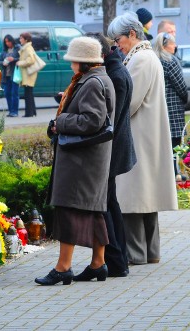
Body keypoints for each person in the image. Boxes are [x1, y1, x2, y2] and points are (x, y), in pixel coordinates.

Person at [35, 36, 115, 285]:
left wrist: (61, 122)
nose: (70, 65)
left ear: (83, 61)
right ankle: (98, 263)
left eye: (72, 60)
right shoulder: (98, 78)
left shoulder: (92, 82)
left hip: (82, 160)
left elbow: (92, 120)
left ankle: (63, 268)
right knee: (93, 211)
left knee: (68, 209)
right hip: (90, 159)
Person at [107, 12, 178, 266]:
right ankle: (151, 252)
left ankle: (136, 254)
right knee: (146, 199)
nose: (117, 45)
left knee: (134, 199)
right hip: (147, 135)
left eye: (118, 39)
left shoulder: (140, 59)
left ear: (132, 34)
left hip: (138, 135)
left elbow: (130, 101)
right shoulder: (146, 56)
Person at [86, 32, 137, 278]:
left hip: (111, 148)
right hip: (115, 145)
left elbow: (109, 119)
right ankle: (119, 260)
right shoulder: (116, 69)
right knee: (110, 203)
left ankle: (115, 260)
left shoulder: (114, 75)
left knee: (106, 205)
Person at [152, 32, 187, 181]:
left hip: (158, 107)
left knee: (161, 144)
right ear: (166, 46)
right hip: (173, 109)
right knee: (174, 144)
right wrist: (185, 98)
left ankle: (166, 174)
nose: (175, 46)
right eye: (173, 44)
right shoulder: (170, 61)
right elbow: (180, 86)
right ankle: (174, 174)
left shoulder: (154, 60)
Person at [16, 32, 38, 117]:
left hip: (29, 74)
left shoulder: (28, 48)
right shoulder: (26, 47)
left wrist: (20, 63)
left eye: (21, 38)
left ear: (26, 39)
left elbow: (31, 60)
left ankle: (29, 113)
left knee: (28, 94)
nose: (20, 40)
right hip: (28, 74)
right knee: (29, 93)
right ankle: (33, 112)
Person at [0, 34, 20, 117]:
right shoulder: (5, 50)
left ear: (12, 41)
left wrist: (13, 59)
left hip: (14, 74)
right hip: (6, 75)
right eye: (6, 42)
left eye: (8, 41)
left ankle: (15, 111)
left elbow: (22, 58)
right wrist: (2, 63)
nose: (7, 43)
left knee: (15, 93)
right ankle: (11, 111)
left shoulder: (17, 48)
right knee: (7, 93)